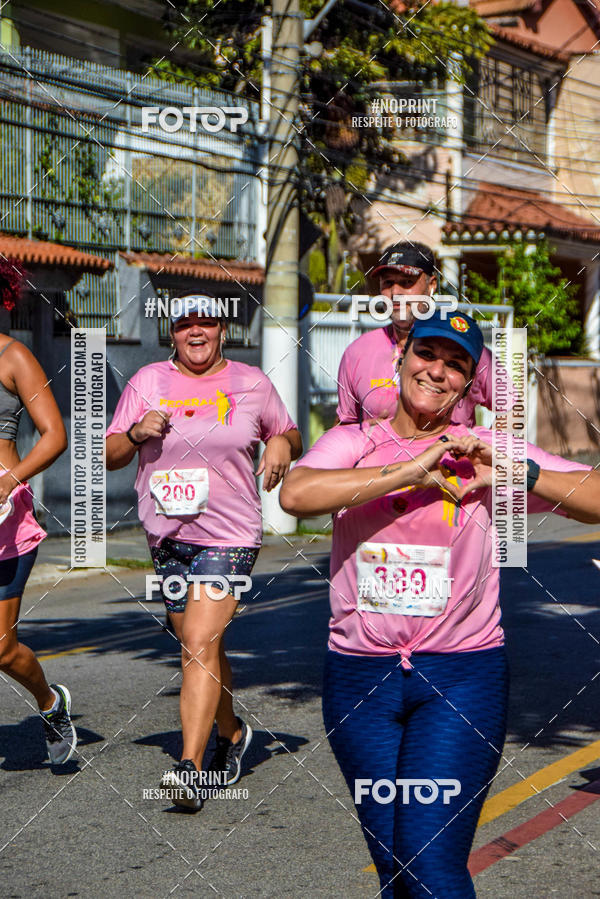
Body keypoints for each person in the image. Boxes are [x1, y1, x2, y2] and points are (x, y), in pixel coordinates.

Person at [280, 310, 600, 897]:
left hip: (461, 677)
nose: (437, 371)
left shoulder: (486, 451)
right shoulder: (355, 440)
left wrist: (512, 473)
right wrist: (413, 471)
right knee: (395, 868)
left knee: (430, 864)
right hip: (359, 679)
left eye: (456, 365)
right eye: (427, 354)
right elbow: (297, 493)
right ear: (400, 359)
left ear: (470, 384)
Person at [105, 295, 301, 811]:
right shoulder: (147, 381)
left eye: (207, 323)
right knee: (200, 644)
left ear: (222, 330)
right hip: (167, 538)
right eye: (184, 324)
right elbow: (109, 454)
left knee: (197, 642)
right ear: (171, 332)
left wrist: (282, 443)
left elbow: (288, 430)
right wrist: (135, 432)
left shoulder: (251, 383)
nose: (196, 332)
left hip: (230, 535)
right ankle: (232, 732)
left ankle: (189, 769)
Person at [0, 298, 74, 764]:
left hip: (4, 521)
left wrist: (10, 478)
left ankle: (50, 703)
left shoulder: (13, 357)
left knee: (3, 651)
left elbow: (54, 435)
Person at [336, 241, 496, 426]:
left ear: (431, 285)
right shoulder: (357, 352)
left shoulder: (464, 348)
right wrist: (363, 434)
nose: (395, 293)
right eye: (388, 283)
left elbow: (514, 409)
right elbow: (345, 423)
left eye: (407, 282)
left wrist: (482, 441)